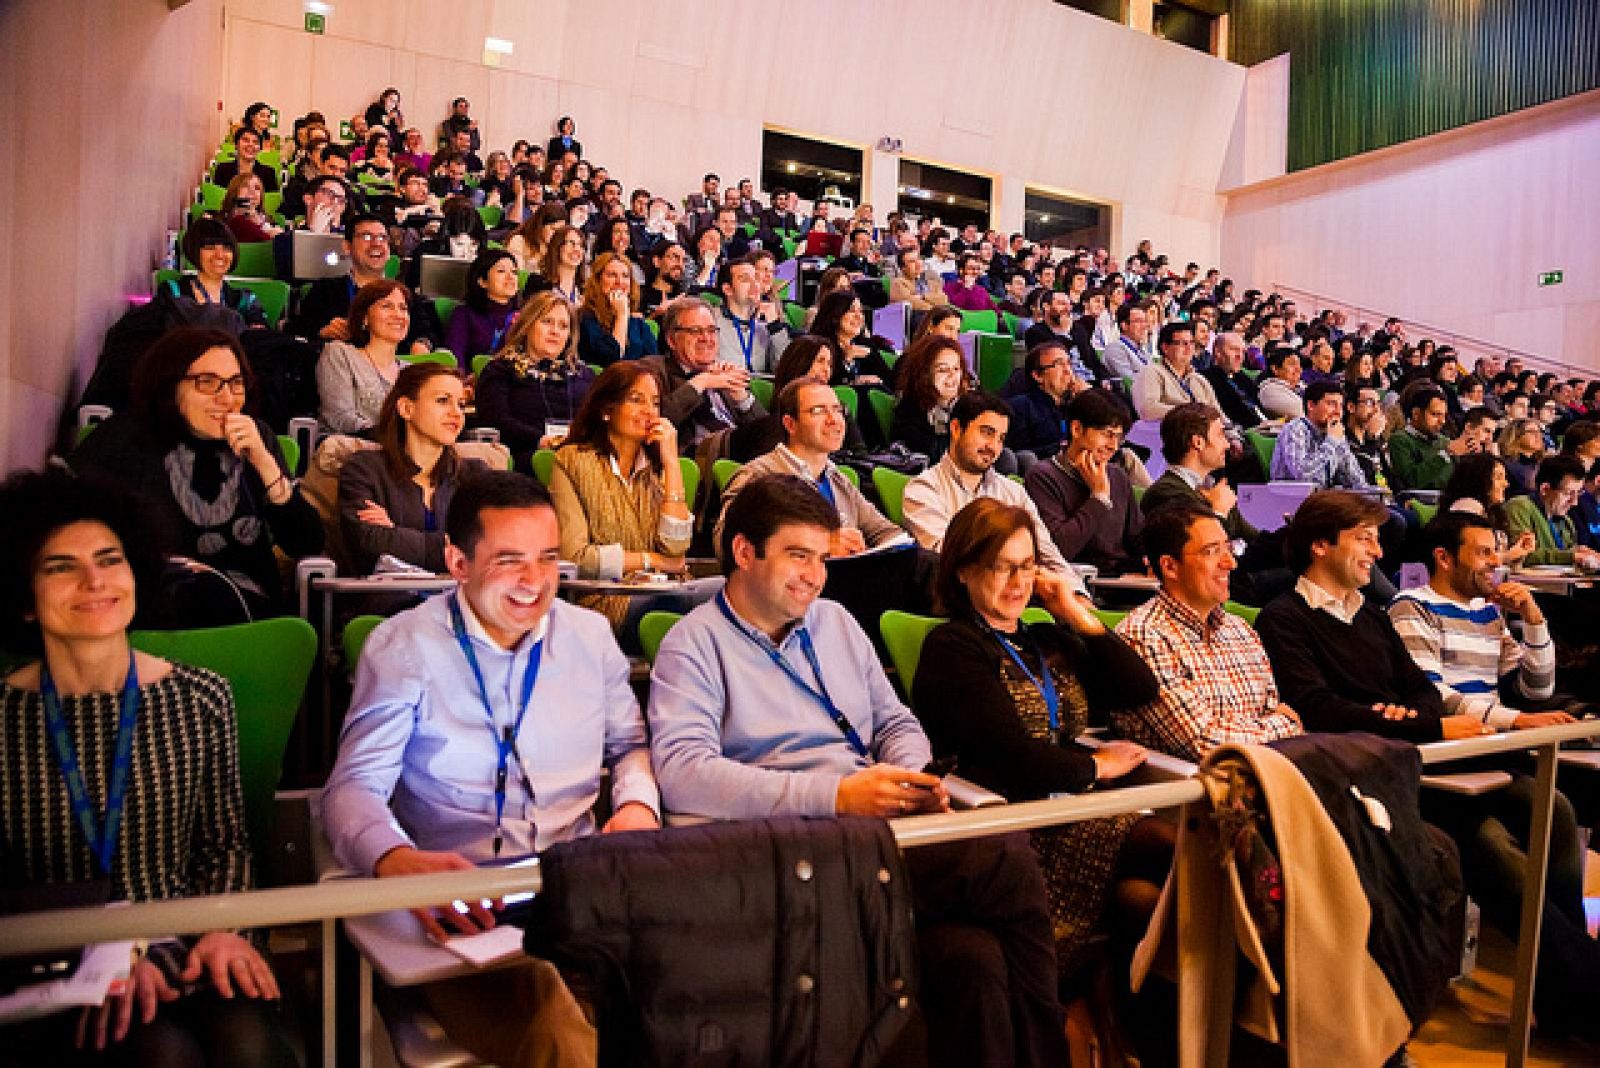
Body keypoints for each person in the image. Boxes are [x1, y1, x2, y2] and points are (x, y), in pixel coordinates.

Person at [648, 474, 1072, 1068]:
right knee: (1003, 854)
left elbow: (895, 723)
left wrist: (911, 777)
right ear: (745, 552)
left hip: (877, 826)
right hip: (791, 845)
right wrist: (838, 795)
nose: (815, 577)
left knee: (973, 960)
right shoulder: (694, 645)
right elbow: (684, 772)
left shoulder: (837, 624)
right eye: (798, 556)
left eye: (822, 559)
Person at [320, 471, 656, 1067]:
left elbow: (628, 746)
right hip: (461, 906)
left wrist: (634, 806)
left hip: (577, 891)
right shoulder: (404, 645)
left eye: (548, 558)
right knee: (550, 1015)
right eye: (509, 561)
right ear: (458, 562)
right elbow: (353, 789)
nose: (534, 582)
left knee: (693, 992)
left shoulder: (590, 636)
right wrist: (398, 861)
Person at [0, 469, 299, 1068]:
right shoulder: (3, 718)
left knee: (248, 1045)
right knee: (158, 1053)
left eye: (111, 560)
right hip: (60, 966)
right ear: (23, 600)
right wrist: (101, 959)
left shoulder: (200, 695)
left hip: (190, 938)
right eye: (61, 567)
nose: (94, 581)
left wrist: (228, 930)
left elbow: (226, 843)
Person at [913, 499, 1166, 981]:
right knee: (1165, 843)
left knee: (1148, 901)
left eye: (1027, 566)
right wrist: (1096, 767)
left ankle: (1108, 1009)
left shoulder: (1046, 639)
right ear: (964, 571)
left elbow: (1138, 689)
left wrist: (1074, 612)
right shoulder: (953, 647)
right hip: (1022, 825)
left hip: (1077, 811)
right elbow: (1010, 759)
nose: (1017, 583)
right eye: (1001, 567)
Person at [69, 328, 322, 619]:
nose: (227, 398)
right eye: (207, 382)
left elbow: (306, 542)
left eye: (235, 383)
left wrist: (265, 463)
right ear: (170, 385)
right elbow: (62, 517)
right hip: (149, 609)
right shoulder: (126, 435)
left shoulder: (256, 437)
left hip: (244, 613)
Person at [1113, 503, 1302, 760]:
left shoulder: (1240, 630)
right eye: (1212, 552)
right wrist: (1283, 726)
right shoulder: (1143, 637)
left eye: (1229, 548)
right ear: (1170, 567)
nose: (1230, 563)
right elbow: (1204, 743)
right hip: (1185, 789)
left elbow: (1271, 713)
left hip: (1263, 774)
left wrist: (1275, 726)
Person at [547, 361, 697, 634]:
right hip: (604, 599)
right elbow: (575, 557)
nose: (649, 412)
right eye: (636, 400)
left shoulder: (655, 471)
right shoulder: (572, 462)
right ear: (607, 410)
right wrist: (654, 560)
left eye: (654, 403)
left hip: (663, 590)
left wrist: (672, 464)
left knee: (713, 603)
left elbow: (676, 549)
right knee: (677, 612)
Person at [1388, 512, 1573, 726]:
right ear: (1444, 559)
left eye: (1496, 551)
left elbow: (1537, 690)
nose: (1496, 562)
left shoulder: (1487, 612)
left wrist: (1534, 621)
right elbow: (1430, 694)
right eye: (1484, 553)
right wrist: (1516, 720)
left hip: (1494, 740)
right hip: (1454, 748)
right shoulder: (1412, 606)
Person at [903, 393, 1084, 592]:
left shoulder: (1014, 493)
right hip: (961, 604)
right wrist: (1025, 570)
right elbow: (950, 557)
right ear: (956, 429)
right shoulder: (923, 489)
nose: (994, 447)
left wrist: (1078, 594)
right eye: (987, 433)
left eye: (1001, 438)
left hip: (1024, 596)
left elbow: (1048, 554)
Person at [714, 378, 909, 557]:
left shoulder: (839, 480)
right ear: (790, 424)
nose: (834, 420)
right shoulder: (758, 475)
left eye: (838, 410)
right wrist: (821, 544)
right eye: (818, 411)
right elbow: (727, 544)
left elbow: (889, 533)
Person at [337, 364, 486, 574]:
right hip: (392, 602)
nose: (456, 413)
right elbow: (369, 541)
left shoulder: (475, 474)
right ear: (407, 408)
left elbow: (493, 545)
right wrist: (454, 547)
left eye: (461, 405)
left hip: (463, 601)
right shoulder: (364, 468)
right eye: (443, 400)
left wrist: (395, 534)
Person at [1025, 390, 1144, 576]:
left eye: (1118, 438)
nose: (1113, 446)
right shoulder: (1043, 477)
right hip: (1077, 583)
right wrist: (1098, 498)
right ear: (1077, 429)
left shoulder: (1118, 476)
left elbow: (1137, 540)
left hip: (1124, 582)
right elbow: (1060, 549)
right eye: (1107, 434)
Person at [476, 292, 593, 472]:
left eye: (563, 326)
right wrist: (540, 440)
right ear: (528, 325)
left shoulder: (584, 375)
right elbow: (496, 420)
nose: (555, 331)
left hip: (581, 457)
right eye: (547, 322)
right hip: (525, 458)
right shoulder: (500, 370)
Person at [291, 214, 439, 354]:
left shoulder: (405, 296)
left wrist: (422, 344)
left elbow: (429, 333)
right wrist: (323, 331)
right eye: (367, 237)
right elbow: (298, 330)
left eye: (382, 238)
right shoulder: (324, 291)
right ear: (347, 246)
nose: (376, 244)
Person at [639, 297, 765, 447]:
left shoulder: (722, 374)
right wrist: (700, 383)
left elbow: (765, 431)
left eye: (711, 330)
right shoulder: (653, 370)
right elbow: (654, 420)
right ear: (672, 340)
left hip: (739, 452)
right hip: (697, 454)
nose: (706, 338)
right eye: (695, 331)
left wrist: (740, 396)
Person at [316, 279, 412, 435]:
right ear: (365, 318)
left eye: (403, 308)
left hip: (403, 451)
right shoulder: (340, 354)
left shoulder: (411, 372)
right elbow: (338, 418)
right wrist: (394, 438)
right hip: (354, 451)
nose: (398, 315)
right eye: (387, 306)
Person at [160, 218, 268, 330]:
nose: (220, 255)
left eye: (227, 248)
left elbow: (257, 336)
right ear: (194, 250)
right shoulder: (173, 292)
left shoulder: (246, 300)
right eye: (210, 247)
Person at [1500, 455, 1600, 568]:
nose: (1574, 502)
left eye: (1579, 493)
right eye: (1568, 494)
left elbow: (1569, 555)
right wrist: (1572, 556)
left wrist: (1584, 553)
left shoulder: (1566, 521)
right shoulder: (1519, 507)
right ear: (1545, 489)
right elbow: (1521, 555)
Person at [1270, 379, 1370, 488]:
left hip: (1322, 498)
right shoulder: (1295, 429)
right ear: (1311, 405)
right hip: (1291, 499)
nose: (1338, 412)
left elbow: (1355, 478)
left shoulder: (1334, 432)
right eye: (1332, 404)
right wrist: (1331, 442)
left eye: (1341, 406)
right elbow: (1303, 476)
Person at [567, 251, 652, 368]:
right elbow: (611, 360)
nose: (619, 282)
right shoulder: (585, 319)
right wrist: (621, 316)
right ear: (598, 281)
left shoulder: (638, 324)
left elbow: (654, 364)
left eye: (625, 276)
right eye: (612, 275)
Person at [1006, 341, 1084, 465]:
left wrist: (1089, 399)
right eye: (1059, 364)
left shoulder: (1076, 407)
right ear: (1037, 375)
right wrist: (1064, 449)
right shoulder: (1021, 407)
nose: (1068, 371)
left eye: (1069, 363)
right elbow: (1021, 456)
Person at [444, 249, 521, 363]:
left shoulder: (524, 315)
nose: (510, 277)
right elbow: (456, 357)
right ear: (482, 281)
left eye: (514, 272)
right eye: (501, 271)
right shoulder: (464, 314)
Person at [1131, 321, 1218, 421]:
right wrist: (1190, 413)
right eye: (1183, 343)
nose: (1189, 348)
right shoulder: (1151, 372)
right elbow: (1147, 410)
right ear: (1165, 348)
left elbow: (1218, 413)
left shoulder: (1199, 379)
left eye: (1191, 343)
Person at [1389, 385, 1469, 493]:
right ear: (1416, 414)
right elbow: (1412, 481)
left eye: (1444, 416)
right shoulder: (1399, 440)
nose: (1442, 421)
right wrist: (1445, 455)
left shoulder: (1445, 441)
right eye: (1435, 414)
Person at [808, 290, 893, 388]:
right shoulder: (819, 347)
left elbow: (890, 382)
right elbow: (823, 383)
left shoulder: (866, 345)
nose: (859, 316)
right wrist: (848, 363)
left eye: (861, 311)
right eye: (852, 311)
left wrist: (871, 355)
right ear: (835, 315)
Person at [714, 256, 782, 372]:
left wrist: (776, 328)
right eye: (745, 279)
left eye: (756, 278)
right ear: (728, 290)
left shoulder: (766, 326)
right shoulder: (711, 323)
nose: (755, 284)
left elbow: (784, 372)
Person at [1201, 331, 1266, 429]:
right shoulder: (1206, 379)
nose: (1239, 356)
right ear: (1218, 352)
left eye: (1243, 352)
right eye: (1234, 350)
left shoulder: (1245, 379)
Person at [523, 223, 586, 305]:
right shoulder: (538, 284)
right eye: (571, 243)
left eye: (580, 245)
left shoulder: (585, 291)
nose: (577, 249)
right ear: (557, 246)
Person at [211, 126, 280, 194]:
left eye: (255, 142)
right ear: (236, 145)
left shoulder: (269, 173)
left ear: (259, 148)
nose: (251, 144)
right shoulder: (222, 170)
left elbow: (270, 201)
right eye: (246, 140)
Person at [219, 172, 280, 244]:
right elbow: (268, 242)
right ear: (234, 192)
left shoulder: (267, 218)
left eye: (257, 188)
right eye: (245, 186)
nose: (252, 191)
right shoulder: (235, 220)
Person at [1100, 301, 1152, 384]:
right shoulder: (1115, 349)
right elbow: (1130, 381)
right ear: (1124, 325)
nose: (1144, 326)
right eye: (1138, 321)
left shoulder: (1142, 349)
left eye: (1145, 321)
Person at [888, 245, 949, 311]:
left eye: (919, 259)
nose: (918, 263)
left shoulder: (931, 280)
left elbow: (943, 299)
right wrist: (934, 303)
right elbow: (913, 304)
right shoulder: (898, 283)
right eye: (912, 261)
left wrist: (922, 297)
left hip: (938, 316)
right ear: (903, 268)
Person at [1256, 346, 1305, 420]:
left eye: (1299, 364)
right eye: (1292, 364)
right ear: (1275, 369)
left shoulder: (1301, 386)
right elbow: (1298, 411)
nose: (1298, 369)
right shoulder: (1268, 390)